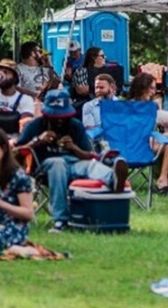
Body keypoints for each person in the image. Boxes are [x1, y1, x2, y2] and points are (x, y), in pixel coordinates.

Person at [22, 88, 121, 227]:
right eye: (55, 117)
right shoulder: (36, 125)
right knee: (58, 163)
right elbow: (18, 151)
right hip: (44, 167)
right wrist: (37, 141)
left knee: (91, 165)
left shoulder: (75, 125)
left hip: (74, 165)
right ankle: (60, 220)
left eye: (63, 116)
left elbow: (88, 155)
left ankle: (114, 179)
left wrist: (74, 148)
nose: (60, 120)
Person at [125, 71, 168, 193]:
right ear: (142, 87)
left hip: (150, 140)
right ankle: (162, 179)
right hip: (136, 145)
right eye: (151, 88)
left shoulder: (152, 106)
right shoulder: (129, 106)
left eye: (154, 88)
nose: (153, 92)